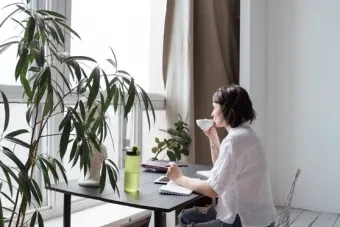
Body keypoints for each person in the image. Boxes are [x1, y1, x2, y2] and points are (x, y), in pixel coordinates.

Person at [166, 84, 276, 227]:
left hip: (242, 220)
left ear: (226, 109)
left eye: (214, 107)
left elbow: (212, 190)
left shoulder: (234, 140)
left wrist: (179, 178)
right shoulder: (247, 134)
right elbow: (222, 170)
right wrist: (213, 138)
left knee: (186, 222)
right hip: (260, 218)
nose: (212, 113)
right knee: (185, 217)